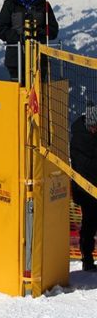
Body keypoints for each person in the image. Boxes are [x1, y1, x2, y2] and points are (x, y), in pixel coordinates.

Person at [0, 0, 58, 83]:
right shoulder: (9, 5)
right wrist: (19, 37)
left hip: (39, 59)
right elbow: (0, 29)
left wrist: (37, 35)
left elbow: (53, 30)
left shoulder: (44, 5)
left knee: (38, 94)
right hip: (16, 60)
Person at [70, 105, 97, 272]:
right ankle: (87, 259)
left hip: (86, 189)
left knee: (89, 224)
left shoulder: (83, 134)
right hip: (86, 189)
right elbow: (88, 167)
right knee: (89, 224)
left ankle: (87, 259)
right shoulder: (82, 140)